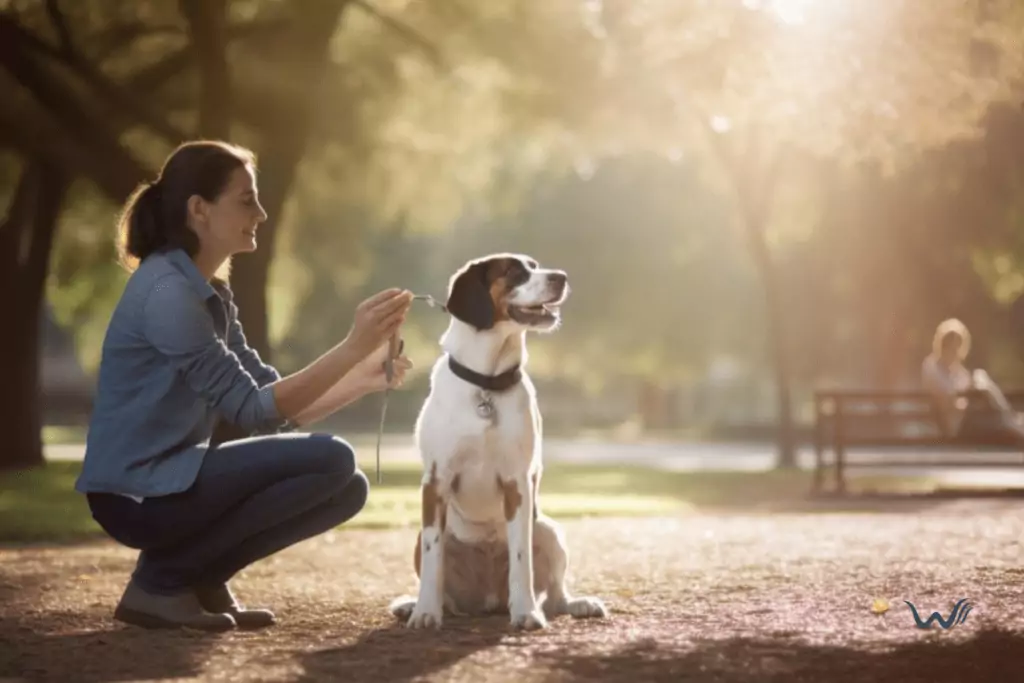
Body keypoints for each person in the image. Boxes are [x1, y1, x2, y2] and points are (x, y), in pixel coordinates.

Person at [75, 140, 415, 632]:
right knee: (333, 459)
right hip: (137, 495)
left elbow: (271, 402)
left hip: (173, 479)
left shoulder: (207, 291)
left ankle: (199, 581)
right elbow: (257, 411)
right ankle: (162, 583)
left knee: (346, 488)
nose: (261, 212)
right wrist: (352, 345)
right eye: (246, 200)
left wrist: (361, 377)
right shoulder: (168, 295)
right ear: (200, 211)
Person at [920, 318, 1024, 441]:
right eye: (950, 345)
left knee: (980, 377)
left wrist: (974, 391)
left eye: (957, 346)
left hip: (968, 418)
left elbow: (964, 392)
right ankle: (1011, 420)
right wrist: (968, 399)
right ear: (942, 344)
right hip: (955, 424)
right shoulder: (932, 367)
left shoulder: (957, 370)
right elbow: (946, 400)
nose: (954, 351)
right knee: (1002, 424)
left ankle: (1009, 419)